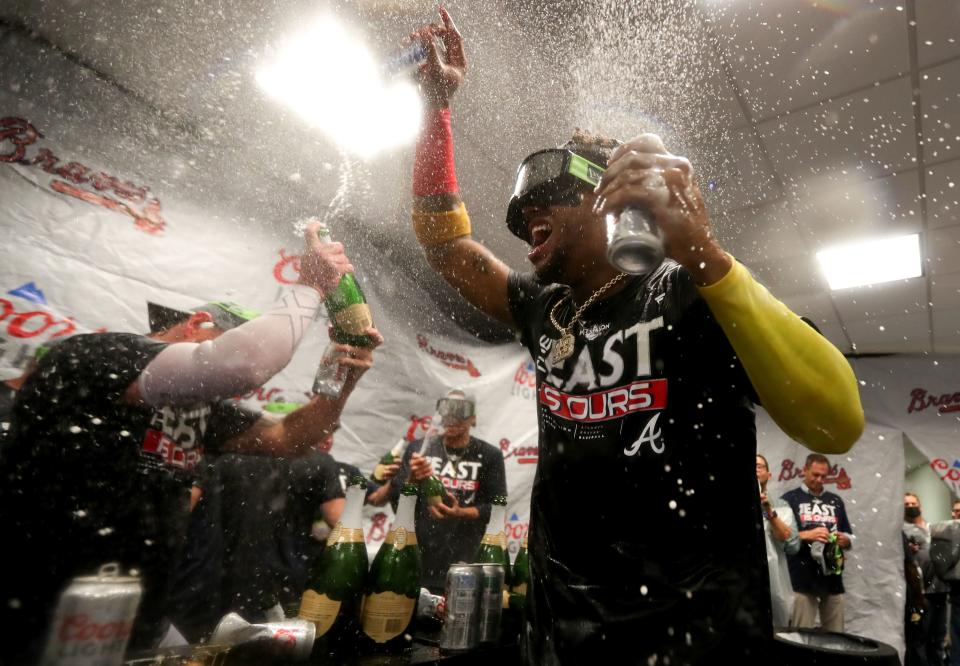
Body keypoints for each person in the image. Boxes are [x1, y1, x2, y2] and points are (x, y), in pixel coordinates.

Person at [401, 8, 864, 663]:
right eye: (522, 207)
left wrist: (704, 252)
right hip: (558, 643)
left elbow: (836, 424)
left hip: (694, 644)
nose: (526, 211)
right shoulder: (548, 313)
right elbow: (445, 245)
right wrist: (436, 112)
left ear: (606, 200)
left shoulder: (691, 297)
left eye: (551, 191)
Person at [0, 222, 382, 662]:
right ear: (198, 323)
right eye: (228, 337)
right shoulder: (98, 356)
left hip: (134, 613)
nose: (236, 391)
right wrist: (312, 285)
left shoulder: (199, 407)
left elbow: (288, 438)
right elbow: (242, 362)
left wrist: (344, 378)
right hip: (33, 603)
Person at [367, 389, 507, 594]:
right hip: (416, 552)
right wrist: (410, 479)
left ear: (473, 419)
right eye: (447, 409)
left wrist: (461, 513)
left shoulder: (489, 455)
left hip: (462, 560)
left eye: (461, 411)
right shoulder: (420, 448)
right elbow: (400, 501)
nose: (452, 417)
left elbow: (496, 507)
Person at [781, 453, 853, 632]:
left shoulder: (836, 501)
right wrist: (807, 534)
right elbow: (783, 536)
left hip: (833, 577)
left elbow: (848, 535)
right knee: (801, 636)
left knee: (836, 636)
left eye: (824, 476)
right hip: (801, 576)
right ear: (804, 470)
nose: (820, 480)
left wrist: (845, 540)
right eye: (815, 474)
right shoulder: (789, 499)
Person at [905, 492, 951, 666]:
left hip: (940, 589)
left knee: (939, 636)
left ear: (920, 505)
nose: (910, 506)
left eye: (913, 503)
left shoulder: (933, 528)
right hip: (920, 593)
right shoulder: (902, 530)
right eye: (906, 504)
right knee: (919, 638)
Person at [756, 454, 800, 628]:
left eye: (759, 466)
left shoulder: (780, 506)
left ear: (769, 475)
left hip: (773, 588)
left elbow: (792, 545)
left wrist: (768, 510)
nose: (755, 469)